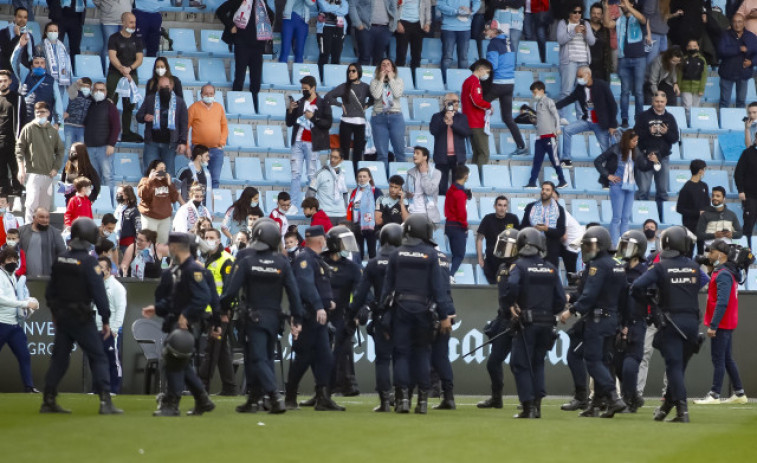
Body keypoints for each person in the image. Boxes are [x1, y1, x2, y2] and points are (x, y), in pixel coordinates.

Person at [40, 218, 122, 415]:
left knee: (59, 358)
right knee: (98, 357)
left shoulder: (60, 258)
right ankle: (105, 402)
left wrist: (55, 313)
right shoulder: (89, 261)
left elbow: (50, 292)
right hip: (81, 318)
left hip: (63, 317)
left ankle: (48, 400)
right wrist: (106, 319)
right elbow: (99, 293)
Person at [222, 220, 303, 414]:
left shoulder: (247, 260)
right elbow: (293, 292)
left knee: (256, 358)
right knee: (263, 357)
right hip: (274, 317)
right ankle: (253, 400)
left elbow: (231, 290)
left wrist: (222, 309)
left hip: (253, 316)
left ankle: (274, 397)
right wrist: (297, 318)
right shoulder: (282, 262)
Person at [630, 226, 709, 422]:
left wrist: (652, 299)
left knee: (673, 367)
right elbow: (701, 283)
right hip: (692, 323)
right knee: (679, 368)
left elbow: (637, 286)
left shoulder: (660, 266)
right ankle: (665, 408)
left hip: (671, 323)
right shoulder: (694, 266)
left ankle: (682, 411)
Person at [381, 214, 453, 413]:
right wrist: (445, 315)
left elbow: (387, 289)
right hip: (424, 311)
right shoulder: (431, 255)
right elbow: (439, 289)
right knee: (422, 353)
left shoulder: (396, 254)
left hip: (400, 309)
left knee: (402, 354)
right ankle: (422, 402)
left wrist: (384, 316)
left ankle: (403, 399)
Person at [141, 232, 216, 417]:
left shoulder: (192, 269)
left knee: (174, 361)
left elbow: (203, 297)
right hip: (176, 321)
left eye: (169, 245)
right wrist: (157, 309)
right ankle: (202, 399)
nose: (168, 249)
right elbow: (173, 300)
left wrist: (186, 315)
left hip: (186, 325)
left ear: (175, 247)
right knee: (180, 363)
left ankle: (171, 405)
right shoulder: (179, 270)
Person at [558, 226, 628, 418]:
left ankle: (614, 398)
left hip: (597, 319)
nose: (587, 249)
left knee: (593, 361)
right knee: (604, 362)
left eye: (591, 245)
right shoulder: (618, 264)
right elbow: (624, 297)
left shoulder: (597, 266)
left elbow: (589, 295)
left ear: (601, 245)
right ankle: (596, 405)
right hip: (612, 319)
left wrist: (570, 311)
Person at [503, 228, 566, 418]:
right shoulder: (551, 268)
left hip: (527, 323)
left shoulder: (519, 266)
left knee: (520, 363)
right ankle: (537, 406)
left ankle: (527, 406)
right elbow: (561, 300)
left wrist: (511, 303)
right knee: (538, 362)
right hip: (547, 323)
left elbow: (512, 286)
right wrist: (548, 312)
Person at [285, 225, 345, 411]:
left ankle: (323, 397)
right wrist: (319, 305)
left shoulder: (315, 259)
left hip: (319, 319)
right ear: (320, 240)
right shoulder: (305, 258)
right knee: (303, 357)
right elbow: (305, 284)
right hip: (309, 315)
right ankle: (290, 396)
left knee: (325, 357)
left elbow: (318, 284)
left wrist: (328, 302)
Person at [348, 222, 401, 411]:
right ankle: (403, 399)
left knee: (382, 359)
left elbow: (362, 292)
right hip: (402, 315)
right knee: (401, 357)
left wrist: (353, 311)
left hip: (381, 315)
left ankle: (385, 401)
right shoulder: (404, 260)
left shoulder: (373, 263)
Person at [694, 239, 749, 405]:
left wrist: (713, 325)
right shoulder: (726, 272)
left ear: (721, 254)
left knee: (718, 358)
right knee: (726, 358)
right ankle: (739, 393)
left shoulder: (724, 274)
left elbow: (722, 301)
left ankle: (715, 394)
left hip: (722, 323)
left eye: (711, 252)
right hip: (727, 321)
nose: (709, 255)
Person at [476, 227, 518, 408]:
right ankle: (496, 398)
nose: (504, 250)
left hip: (518, 321)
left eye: (508, 246)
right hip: (503, 318)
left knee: (519, 364)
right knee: (493, 363)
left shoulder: (522, 267)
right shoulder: (502, 267)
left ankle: (529, 399)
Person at [594, 129, 653, 245]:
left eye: (637, 141)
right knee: (617, 217)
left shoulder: (636, 151)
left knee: (626, 218)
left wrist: (652, 161)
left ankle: (624, 244)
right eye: (634, 141)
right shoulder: (616, 148)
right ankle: (615, 245)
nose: (636, 143)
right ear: (627, 140)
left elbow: (643, 166)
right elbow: (597, 161)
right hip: (617, 185)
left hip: (630, 186)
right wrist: (608, 176)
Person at [322, 226, 362, 396]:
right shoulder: (320, 263)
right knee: (319, 354)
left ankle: (344, 384)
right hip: (321, 314)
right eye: (344, 243)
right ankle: (322, 389)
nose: (347, 246)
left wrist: (361, 309)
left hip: (342, 315)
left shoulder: (352, 268)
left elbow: (361, 290)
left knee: (342, 351)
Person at [197, 228, 237, 396]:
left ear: (219, 240)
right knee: (221, 352)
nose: (208, 240)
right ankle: (229, 388)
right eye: (206, 237)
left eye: (212, 237)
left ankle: (202, 388)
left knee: (211, 351)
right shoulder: (207, 259)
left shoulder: (226, 260)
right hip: (209, 311)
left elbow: (229, 289)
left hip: (220, 313)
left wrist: (224, 312)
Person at [216, 0, 273, 114]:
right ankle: (235, 105)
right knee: (239, 77)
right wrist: (231, 25)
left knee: (256, 79)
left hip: (257, 46)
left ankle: (255, 107)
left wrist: (264, 30)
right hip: (242, 44)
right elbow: (220, 11)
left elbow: (271, 15)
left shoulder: (261, 2)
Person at [556, 66, 617, 168]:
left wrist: (612, 124)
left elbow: (612, 105)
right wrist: (555, 106)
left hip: (600, 123)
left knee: (606, 149)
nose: (578, 79)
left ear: (588, 75)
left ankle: (609, 168)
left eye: (580, 76)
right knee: (567, 130)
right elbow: (570, 99)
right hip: (586, 121)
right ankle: (566, 159)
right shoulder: (580, 88)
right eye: (577, 77)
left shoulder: (602, 85)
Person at [286, 75, 333, 210]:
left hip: (313, 143)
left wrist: (314, 117)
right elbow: (289, 123)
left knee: (311, 174)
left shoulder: (323, 104)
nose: (304, 91)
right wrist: (290, 110)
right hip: (298, 141)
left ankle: (311, 204)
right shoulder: (300, 102)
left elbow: (327, 123)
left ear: (313, 88)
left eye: (306, 89)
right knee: (295, 174)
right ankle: (294, 205)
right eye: (302, 89)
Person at [615, 229, 648, 412]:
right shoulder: (620, 269)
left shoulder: (645, 272)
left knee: (630, 365)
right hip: (619, 322)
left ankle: (629, 400)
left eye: (629, 245)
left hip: (637, 323)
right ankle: (633, 396)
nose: (624, 249)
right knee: (618, 364)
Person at [484, 20, 528, 157]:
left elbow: (493, 66)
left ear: (494, 30)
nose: (484, 32)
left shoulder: (493, 44)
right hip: (510, 84)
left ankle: (468, 135)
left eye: (486, 30)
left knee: (476, 104)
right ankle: (521, 145)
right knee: (508, 118)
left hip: (498, 83)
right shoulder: (508, 41)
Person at [16, 101, 64, 223]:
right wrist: (21, 169)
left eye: (42, 112)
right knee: (31, 204)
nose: (39, 114)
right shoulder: (28, 128)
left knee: (44, 208)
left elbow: (60, 151)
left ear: (48, 113)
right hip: (32, 173)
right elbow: (19, 149)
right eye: (37, 112)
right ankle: (28, 230)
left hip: (48, 174)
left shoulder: (53, 131)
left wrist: (55, 168)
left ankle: (43, 232)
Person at [634, 91, 679, 220]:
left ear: (666, 102)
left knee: (663, 191)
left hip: (663, 158)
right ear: (653, 101)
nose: (659, 104)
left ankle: (661, 218)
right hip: (645, 157)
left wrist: (666, 132)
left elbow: (675, 138)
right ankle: (643, 218)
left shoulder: (670, 118)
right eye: (657, 101)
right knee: (643, 190)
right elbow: (635, 136)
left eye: (662, 102)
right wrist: (649, 131)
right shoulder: (643, 116)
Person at [0, 246, 39, 393]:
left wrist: (31, 303)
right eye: (9, 259)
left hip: (14, 324)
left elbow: (21, 297)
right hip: (1, 322)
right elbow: (1, 299)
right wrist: (23, 304)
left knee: (24, 355)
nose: (13, 262)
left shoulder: (14, 277)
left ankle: (29, 387)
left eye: (15, 259)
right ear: (2, 261)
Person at [136, 76, 189, 177]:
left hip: (170, 144)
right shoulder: (150, 99)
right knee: (149, 172)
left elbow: (183, 123)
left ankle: (168, 193)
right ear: (157, 87)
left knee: (169, 173)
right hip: (152, 143)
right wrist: (144, 117)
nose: (164, 89)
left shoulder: (179, 102)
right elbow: (139, 116)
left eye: (166, 87)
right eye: (161, 87)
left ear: (172, 86)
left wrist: (183, 142)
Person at [324, 64, 373, 169]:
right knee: (344, 151)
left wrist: (367, 105)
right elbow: (328, 96)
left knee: (358, 152)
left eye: (353, 71)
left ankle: (356, 175)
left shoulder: (365, 87)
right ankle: (345, 174)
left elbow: (375, 98)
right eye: (349, 71)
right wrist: (339, 104)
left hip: (360, 123)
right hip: (346, 122)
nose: (350, 73)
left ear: (359, 72)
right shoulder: (344, 86)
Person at [106, 12, 144, 143]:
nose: (133, 25)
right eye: (130, 22)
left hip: (131, 74)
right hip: (115, 73)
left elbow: (140, 59)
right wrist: (122, 69)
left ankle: (126, 132)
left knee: (129, 105)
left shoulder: (137, 40)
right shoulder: (114, 38)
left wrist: (130, 68)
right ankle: (109, 131)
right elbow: (112, 56)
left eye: (134, 22)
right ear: (123, 23)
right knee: (111, 103)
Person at [611, 0, 648, 128]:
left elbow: (643, 20)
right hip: (623, 59)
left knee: (638, 91)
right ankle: (625, 118)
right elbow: (606, 23)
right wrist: (606, 7)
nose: (623, 4)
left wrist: (629, 7)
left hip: (639, 59)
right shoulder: (620, 19)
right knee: (624, 91)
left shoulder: (637, 16)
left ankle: (639, 119)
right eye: (621, 2)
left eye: (625, 2)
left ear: (632, 4)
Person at [83, 81, 121, 207]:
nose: (99, 92)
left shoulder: (110, 107)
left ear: (106, 92)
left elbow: (116, 127)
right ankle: (98, 203)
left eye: (102, 90)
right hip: (90, 148)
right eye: (97, 89)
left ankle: (112, 203)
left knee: (108, 176)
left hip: (105, 148)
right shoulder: (89, 105)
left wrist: (111, 144)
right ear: (92, 91)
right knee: (94, 177)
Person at [556, 3, 595, 120]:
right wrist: (573, 31)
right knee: (566, 90)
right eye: (574, 12)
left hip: (583, 61)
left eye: (579, 12)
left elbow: (592, 42)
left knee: (583, 92)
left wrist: (586, 34)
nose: (577, 14)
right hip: (569, 61)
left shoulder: (585, 23)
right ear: (569, 12)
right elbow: (560, 40)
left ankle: (582, 116)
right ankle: (561, 116)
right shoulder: (563, 23)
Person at [525, 81, 567, 188]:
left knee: (554, 160)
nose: (533, 95)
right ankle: (532, 182)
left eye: (535, 92)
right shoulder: (538, 104)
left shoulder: (549, 101)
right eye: (532, 93)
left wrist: (557, 128)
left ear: (542, 91)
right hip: (539, 138)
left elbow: (556, 115)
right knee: (537, 161)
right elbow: (541, 120)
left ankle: (562, 180)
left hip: (549, 136)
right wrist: (534, 121)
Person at [94, 256, 126, 394]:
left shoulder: (117, 287)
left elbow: (121, 308)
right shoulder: (95, 285)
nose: (99, 270)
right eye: (97, 267)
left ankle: (114, 388)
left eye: (102, 267)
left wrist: (115, 329)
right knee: (96, 361)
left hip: (110, 330)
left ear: (108, 269)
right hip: (96, 329)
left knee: (112, 360)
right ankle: (97, 389)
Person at [187, 85, 227, 191]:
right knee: (197, 179)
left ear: (214, 95)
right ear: (201, 94)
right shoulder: (194, 107)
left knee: (215, 180)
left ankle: (212, 205)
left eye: (211, 94)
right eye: (206, 94)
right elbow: (185, 128)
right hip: (198, 150)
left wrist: (222, 142)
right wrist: (187, 146)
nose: (208, 96)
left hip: (216, 150)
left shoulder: (219, 107)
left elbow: (224, 126)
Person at [430, 93, 471, 194]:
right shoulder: (437, 117)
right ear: (445, 103)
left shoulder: (462, 117)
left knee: (457, 188)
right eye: (453, 101)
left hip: (458, 157)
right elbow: (434, 131)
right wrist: (445, 121)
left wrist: (453, 124)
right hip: (441, 156)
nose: (456, 103)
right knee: (441, 187)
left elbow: (466, 132)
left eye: (457, 101)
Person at [520, 181, 566, 267]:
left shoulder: (559, 209)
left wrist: (546, 229)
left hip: (551, 250)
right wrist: (532, 229)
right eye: (543, 189)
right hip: (532, 248)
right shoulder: (531, 207)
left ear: (552, 192)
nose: (544, 192)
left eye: (547, 190)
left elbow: (561, 231)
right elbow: (522, 227)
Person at [12, 50, 64, 127]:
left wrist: (58, 121)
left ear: (45, 66)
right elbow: (14, 61)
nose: (40, 65)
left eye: (42, 63)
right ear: (32, 66)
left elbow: (58, 102)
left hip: (44, 120)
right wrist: (20, 46)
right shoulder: (25, 75)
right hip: (26, 120)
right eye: (36, 63)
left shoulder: (52, 81)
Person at [369, 59, 406, 165]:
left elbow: (397, 94)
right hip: (379, 117)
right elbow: (376, 95)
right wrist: (381, 79)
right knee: (382, 154)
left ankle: (400, 179)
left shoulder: (398, 80)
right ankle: (384, 179)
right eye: (383, 65)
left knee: (400, 152)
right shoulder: (374, 82)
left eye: (388, 65)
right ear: (379, 68)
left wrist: (391, 79)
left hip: (396, 117)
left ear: (393, 68)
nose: (385, 67)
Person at [717, 13, 757, 110]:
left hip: (743, 74)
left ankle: (741, 125)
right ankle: (722, 123)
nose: (737, 24)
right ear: (731, 23)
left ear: (744, 23)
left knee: (741, 102)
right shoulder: (725, 35)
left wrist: (751, 62)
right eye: (734, 22)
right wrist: (739, 49)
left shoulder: (751, 36)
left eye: (739, 22)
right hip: (727, 73)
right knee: (724, 102)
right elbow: (721, 51)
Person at [476, 196, 519, 284]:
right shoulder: (488, 219)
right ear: (495, 206)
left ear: (507, 207)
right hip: (492, 257)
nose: (502, 208)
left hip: (508, 257)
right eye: (499, 205)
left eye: (504, 205)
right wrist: (480, 258)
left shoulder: (513, 218)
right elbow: (479, 239)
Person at [137, 160, 182, 244]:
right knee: (148, 242)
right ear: (153, 170)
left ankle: (159, 257)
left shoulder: (167, 182)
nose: (163, 171)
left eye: (164, 169)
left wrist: (170, 184)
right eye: (161, 168)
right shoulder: (145, 180)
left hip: (164, 218)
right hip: (150, 217)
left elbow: (174, 198)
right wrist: (150, 181)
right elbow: (143, 195)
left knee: (162, 244)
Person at [438, 0, 479, 83]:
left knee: (463, 57)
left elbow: (477, 2)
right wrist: (457, 11)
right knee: (447, 57)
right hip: (448, 27)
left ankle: (462, 83)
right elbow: (440, 5)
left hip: (465, 28)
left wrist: (471, 11)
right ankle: (444, 83)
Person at [461, 59, 493, 167]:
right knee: (484, 153)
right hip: (476, 122)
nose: (487, 75)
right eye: (487, 72)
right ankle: (480, 177)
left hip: (469, 121)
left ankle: (474, 178)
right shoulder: (474, 82)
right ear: (481, 69)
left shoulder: (467, 81)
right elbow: (476, 101)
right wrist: (489, 106)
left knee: (477, 153)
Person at [34, 21, 74, 107]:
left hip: (62, 83)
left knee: (60, 107)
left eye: (55, 31)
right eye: (50, 31)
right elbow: (37, 66)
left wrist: (69, 83)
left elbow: (68, 66)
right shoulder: (39, 47)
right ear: (46, 32)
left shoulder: (64, 47)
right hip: (47, 82)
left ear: (58, 33)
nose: (53, 33)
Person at [0, 70, 27, 195]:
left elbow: (24, 120)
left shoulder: (18, 99)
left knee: (16, 169)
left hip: (13, 140)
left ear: (10, 82)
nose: (3, 83)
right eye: (0, 81)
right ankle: (3, 196)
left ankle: (18, 193)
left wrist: (22, 139)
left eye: (5, 81)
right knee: (1, 172)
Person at [347, 167, 383, 260]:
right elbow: (351, 207)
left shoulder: (376, 191)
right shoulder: (355, 191)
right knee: (358, 254)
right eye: (359, 177)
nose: (362, 178)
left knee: (372, 253)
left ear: (369, 178)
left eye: (364, 176)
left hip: (371, 225)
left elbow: (379, 206)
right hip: (357, 225)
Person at [18, 208, 65, 277]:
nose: (45, 220)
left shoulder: (54, 233)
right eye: (41, 217)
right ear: (34, 218)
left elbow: (62, 253)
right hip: (24, 278)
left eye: (47, 217)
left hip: (47, 278)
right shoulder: (22, 231)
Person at [676, 159, 709, 255]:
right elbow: (679, 208)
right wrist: (697, 213)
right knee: (689, 251)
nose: (704, 172)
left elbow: (707, 203)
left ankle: (700, 269)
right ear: (700, 171)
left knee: (701, 252)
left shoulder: (704, 186)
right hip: (690, 225)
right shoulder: (687, 187)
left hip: (702, 225)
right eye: (704, 169)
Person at [306, 149, 348, 224]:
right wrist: (314, 210)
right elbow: (310, 193)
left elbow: (345, 194)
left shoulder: (343, 175)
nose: (332, 159)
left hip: (342, 214)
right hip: (326, 213)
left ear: (341, 160)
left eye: (335, 157)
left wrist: (345, 208)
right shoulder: (321, 173)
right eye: (331, 157)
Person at [350, 0, 397, 66]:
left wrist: (393, 26)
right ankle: (363, 76)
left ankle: (376, 76)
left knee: (379, 59)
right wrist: (357, 23)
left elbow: (394, 7)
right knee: (364, 57)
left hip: (385, 29)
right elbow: (352, 5)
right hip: (366, 28)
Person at [404, 146, 442, 223]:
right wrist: (407, 195)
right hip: (412, 212)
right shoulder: (410, 172)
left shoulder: (436, 173)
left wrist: (424, 174)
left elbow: (429, 191)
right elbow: (405, 191)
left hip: (427, 214)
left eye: (417, 153)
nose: (414, 155)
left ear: (425, 157)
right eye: (414, 153)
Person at [735, 116, 757, 247]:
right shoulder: (747, 153)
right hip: (750, 196)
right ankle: (745, 251)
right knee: (748, 225)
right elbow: (738, 173)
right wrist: (741, 190)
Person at [395, 0, 431, 77]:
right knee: (401, 54)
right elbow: (394, 7)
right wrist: (397, 22)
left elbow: (428, 9)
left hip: (418, 25)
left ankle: (415, 80)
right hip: (403, 23)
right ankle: (398, 79)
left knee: (416, 55)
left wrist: (427, 23)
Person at [444, 165, 469, 276]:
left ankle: (449, 275)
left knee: (455, 254)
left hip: (449, 224)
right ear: (465, 176)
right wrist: (465, 226)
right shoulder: (460, 193)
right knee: (459, 255)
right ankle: (451, 275)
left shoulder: (451, 190)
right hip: (457, 226)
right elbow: (461, 212)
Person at [316, 0, 349, 81]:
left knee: (336, 56)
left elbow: (344, 11)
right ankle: (322, 79)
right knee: (324, 55)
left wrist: (330, 9)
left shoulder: (343, 1)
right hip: (324, 29)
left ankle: (334, 79)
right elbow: (325, 8)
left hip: (339, 29)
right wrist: (338, 7)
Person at [0, 8, 35, 83]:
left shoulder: (29, 35)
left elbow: (31, 55)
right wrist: (17, 36)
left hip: (24, 73)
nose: (22, 19)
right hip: (8, 73)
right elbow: (6, 52)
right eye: (20, 17)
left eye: (25, 17)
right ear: (14, 17)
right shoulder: (3, 32)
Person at [93, 0, 131, 68]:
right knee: (109, 47)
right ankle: (106, 71)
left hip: (126, 19)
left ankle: (121, 71)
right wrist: (106, 7)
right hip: (109, 20)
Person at [678, 39, 708, 124]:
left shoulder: (702, 60)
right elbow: (680, 74)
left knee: (695, 108)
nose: (692, 48)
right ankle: (687, 123)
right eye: (690, 46)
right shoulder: (684, 59)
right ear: (687, 48)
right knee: (687, 107)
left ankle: (694, 124)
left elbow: (704, 75)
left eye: (694, 46)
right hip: (685, 87)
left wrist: (701, 89)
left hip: (697, 88)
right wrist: (679, 87)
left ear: (698, 47)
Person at [178, 144, 213, 210]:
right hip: (188, 211)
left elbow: (211, 193)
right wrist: (184, 206)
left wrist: (211, 212)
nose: (208, 158)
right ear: (199, 157)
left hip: (203, 212)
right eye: (206, 156)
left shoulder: (207, 173)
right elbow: (176, 190)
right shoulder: (185, 170)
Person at [63, 77, 92, 155]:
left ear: (90, 87)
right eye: (83, 86)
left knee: (80, 150)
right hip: (70, 125)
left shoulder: (92, 99)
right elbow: (70, 90)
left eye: (87, 86)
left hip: (82, 128)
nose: (85, 88)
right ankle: (61, 167)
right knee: (67, 149)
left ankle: (78, 167)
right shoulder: (75, 94)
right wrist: (77, 83)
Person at [588, 2, 612, 82]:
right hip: (586, 66)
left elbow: (608, 49)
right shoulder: (585, 27)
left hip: (602, 68)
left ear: (602, 15)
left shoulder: (605, 30)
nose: (596, 16)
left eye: (598, 14)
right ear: (590, 14)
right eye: (594, 13)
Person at [114, 184, 141, 254]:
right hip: (117, 243)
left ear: (127, 195)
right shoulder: (118, 208)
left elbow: (138, 228)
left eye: (120, 193)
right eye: (117, 193)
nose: (117, 195)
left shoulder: (134, 210)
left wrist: (137, 246)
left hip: (127, 245)